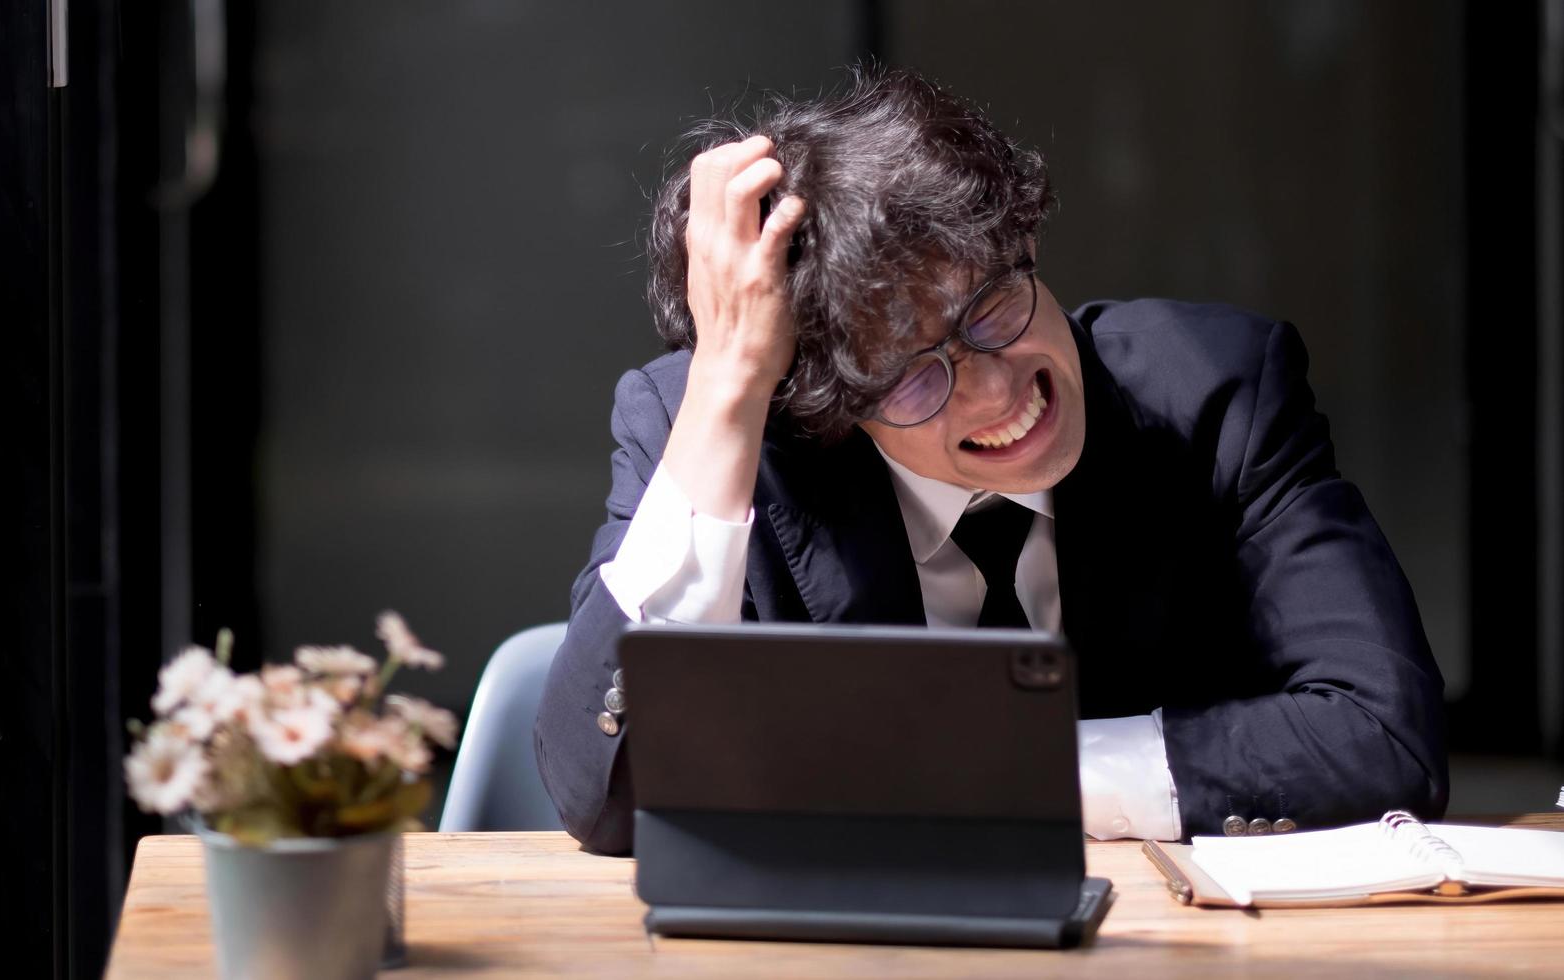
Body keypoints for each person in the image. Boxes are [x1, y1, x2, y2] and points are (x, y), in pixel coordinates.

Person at [533, 63, 1447, 857]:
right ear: (827, 414)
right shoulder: (720, 435)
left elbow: (1381, 736)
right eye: (906, 381)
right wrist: (727, 385)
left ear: (1025, 244)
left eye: (990, 312)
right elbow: (602, 797)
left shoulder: (1216, 392)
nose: (992, 393)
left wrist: (987, 774)